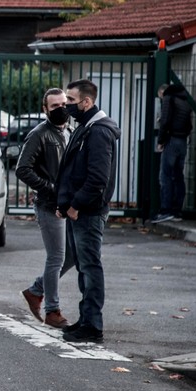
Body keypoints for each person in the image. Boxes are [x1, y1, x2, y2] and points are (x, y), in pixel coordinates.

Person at [55, 79, 121, 344]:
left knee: (90, 267)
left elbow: (97, 178)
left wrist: (74, 205)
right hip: (79, 211)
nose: (66, 105)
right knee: (84, 267)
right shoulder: (86, 127)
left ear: (87, 102)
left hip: (87, 212)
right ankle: (85, 320)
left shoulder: (98, 132)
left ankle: (93, 326)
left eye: (71, 100)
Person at [16, 88, 74, 329]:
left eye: (63, 103)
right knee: (57, 258)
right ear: (45, 110)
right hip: (49, 205)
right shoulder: (39, 134)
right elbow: (22, 169)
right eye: (54, 106)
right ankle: (53, 311)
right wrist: (50, 188)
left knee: (74, 255)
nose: (61, 109)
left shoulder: (70, 131)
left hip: (70, 205)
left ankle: (36, 290)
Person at [152, 82, 193, 224]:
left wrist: (161, 140)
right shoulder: (185, 100)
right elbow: (189, 124)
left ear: (163, 92)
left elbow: (165, 121)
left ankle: (165, 210)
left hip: (171, 140)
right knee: (178, 176)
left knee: (165, 176)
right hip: (182, 141)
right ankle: (177, 211)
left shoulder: (169, 98)